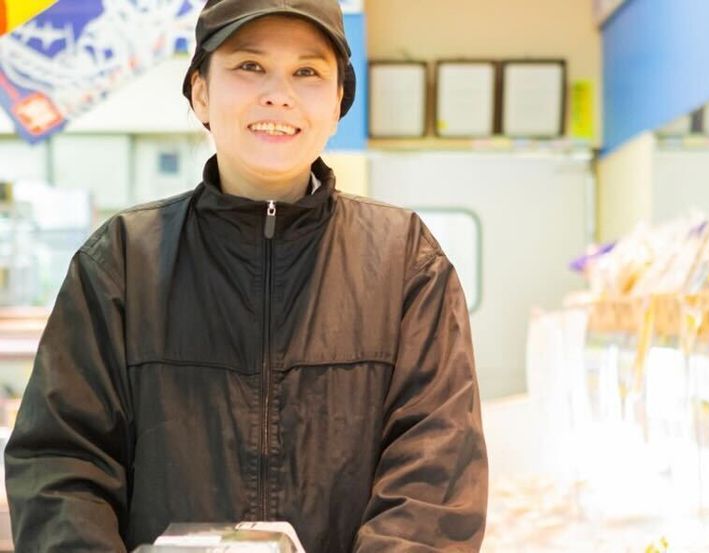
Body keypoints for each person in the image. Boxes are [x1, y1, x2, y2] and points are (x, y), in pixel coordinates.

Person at [4, 0, 488, 551]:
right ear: (201, 92)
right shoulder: (122, 260)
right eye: (249, 66)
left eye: (307, 71)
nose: (278, 94)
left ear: (337, 104)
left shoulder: (405, 261)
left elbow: (436, 472)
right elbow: (61, 464)